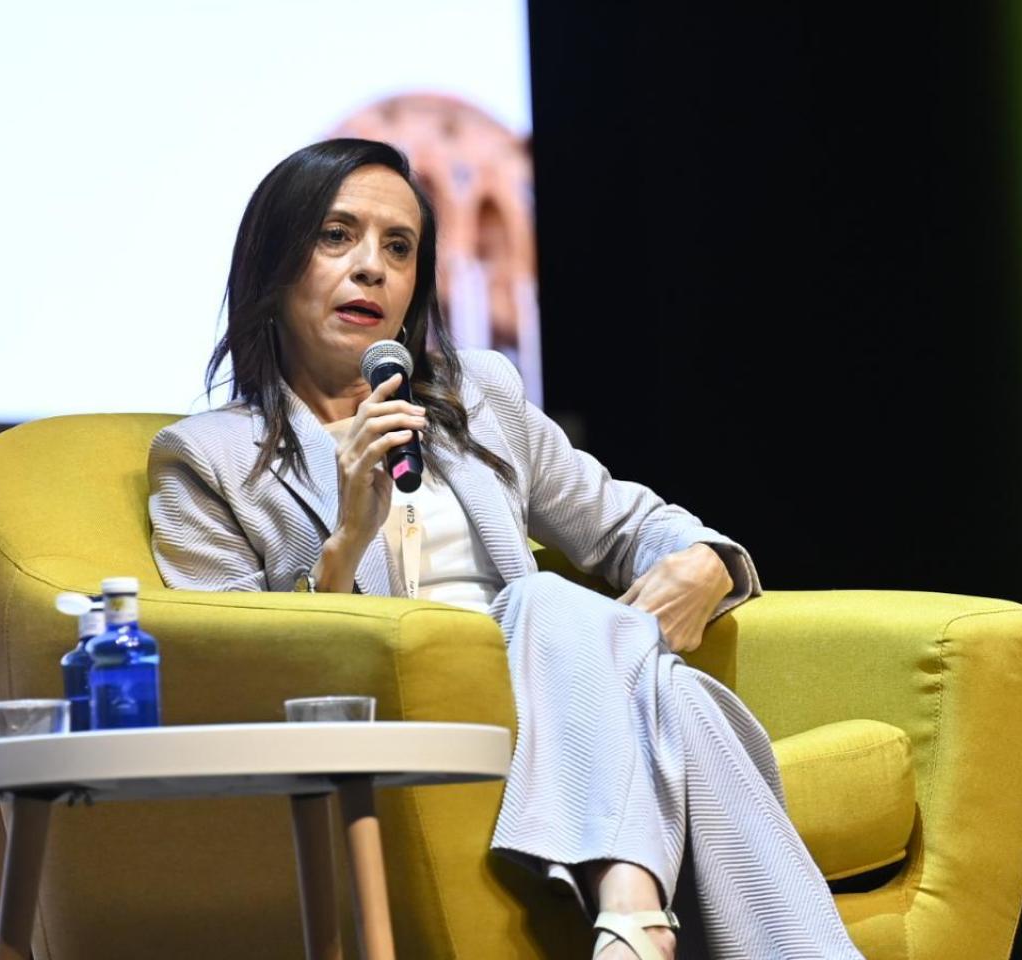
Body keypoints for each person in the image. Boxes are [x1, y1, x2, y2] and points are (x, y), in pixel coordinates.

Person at [148, 138, 863, 960]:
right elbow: (232, 671)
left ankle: (633, 928)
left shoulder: (479, 396)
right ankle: (636, 918)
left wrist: (710, 562)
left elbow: (628, 522)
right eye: (337, 236)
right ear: (273, 266)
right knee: (633, 665)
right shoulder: (208, 460)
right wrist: (344, 541)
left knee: (582, 631)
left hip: (557, 714)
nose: (372, 268)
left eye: (399, 246)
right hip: (408, 728)